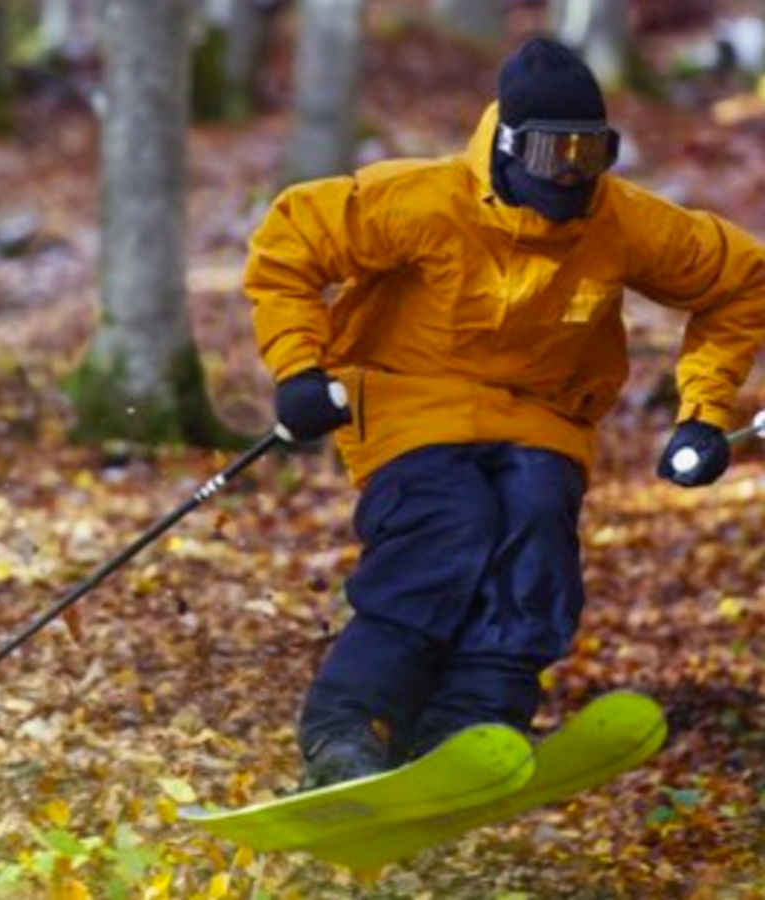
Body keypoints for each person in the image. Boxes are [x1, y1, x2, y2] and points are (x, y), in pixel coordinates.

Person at [246, 36, 765, 790]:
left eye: (591, 155)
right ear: (511, 147)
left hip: (540, 418)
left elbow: (741, 282)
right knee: (447, 525)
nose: (572, 176)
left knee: (536, 524)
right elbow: (290, 239)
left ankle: (473, 724)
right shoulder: (424, 200)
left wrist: (703, 411)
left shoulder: (618, 221)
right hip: (410, 401)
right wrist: (298, 368)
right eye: (555, 155)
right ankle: (348, 727)